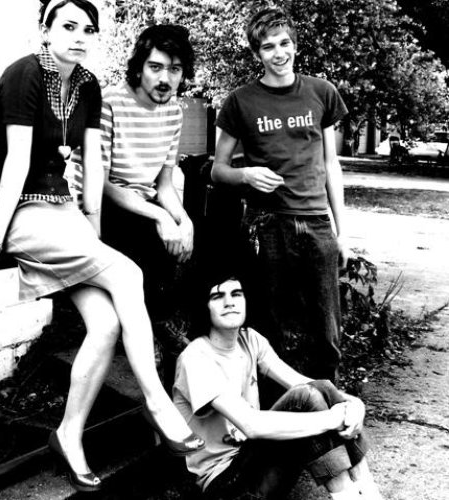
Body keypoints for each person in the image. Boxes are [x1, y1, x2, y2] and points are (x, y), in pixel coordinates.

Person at [0, 0, 203, 492]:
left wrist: (91, 231)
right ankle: (157, 401)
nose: (79, 36)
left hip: (62, 212)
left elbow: (93, 169)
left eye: (88, 29)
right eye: (68, 26)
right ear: (46, 29)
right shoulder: (23, 75)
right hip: (13, 208)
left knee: (106, 324)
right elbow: (15, 162)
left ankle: (68, 434)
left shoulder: (87, 84)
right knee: (129, 274)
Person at [211, 8, 349, 382]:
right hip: (267, 225)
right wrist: (246, 174)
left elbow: (331, 164)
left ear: (295, 45)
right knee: (272, 327)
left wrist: (342, 233)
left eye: (284, 43)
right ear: (257, 53)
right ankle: (275, 407)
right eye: (268, 46)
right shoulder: (240, 101)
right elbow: (218, 170)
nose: (279, 53)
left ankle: (328, 405)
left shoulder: (322, 92)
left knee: (327, 330)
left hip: (317, 222)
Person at [173, 272, 384, 500]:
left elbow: (307, 383)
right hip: (222, 487)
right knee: (305, 398)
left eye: (236, 294)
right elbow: (251, 425)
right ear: (204, 306)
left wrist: (354, 405)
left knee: (319, 388)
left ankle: (368, 492)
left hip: (255, 468)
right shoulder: (196, 358)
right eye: (217, 296)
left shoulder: (250, 340)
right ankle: (348, 496)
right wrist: (333, 419)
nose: (229, 302)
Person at [98, 24, 196, 359]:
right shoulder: (110, 101)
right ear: (139, 68)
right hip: (104, 205)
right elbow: (103, 183)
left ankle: (173, 325)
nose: (165, 79)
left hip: (144, 200)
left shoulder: (173, 112)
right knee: (147, 235)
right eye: (156, 67)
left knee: (207, 237)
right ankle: (142, 330)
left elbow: (165, 185)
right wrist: (159, 216)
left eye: (175, 69)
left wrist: (184, 220)